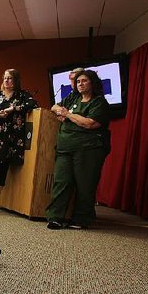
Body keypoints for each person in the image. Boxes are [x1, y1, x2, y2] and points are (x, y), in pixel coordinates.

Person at [45, 69, 111, 229]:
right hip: (65, 147)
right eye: (78, 82)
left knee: (85, 184)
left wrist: (67, 115)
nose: (80, 84)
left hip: (89, 149)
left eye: (84, 81)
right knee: (61, 181)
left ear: (93, 83)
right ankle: (55, 217)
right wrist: (60, 111)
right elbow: (55, 106)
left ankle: (81, 219)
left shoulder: (99, 102)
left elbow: (90, 123)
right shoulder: (73, 97)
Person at [0, 69, 37, 216]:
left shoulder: (22, 95)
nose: (7, 81)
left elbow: (32, 105)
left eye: (10, 78)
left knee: (1, 172)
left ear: (16, 80)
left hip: (10, 139)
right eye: (5, 78)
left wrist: (14, 109)